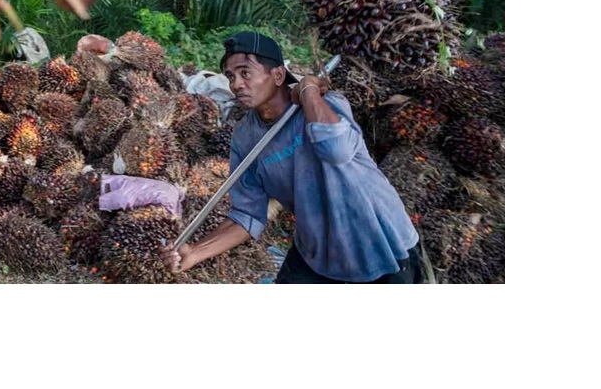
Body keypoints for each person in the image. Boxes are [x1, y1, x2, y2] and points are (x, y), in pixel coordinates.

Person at [158, 32, 424, 283]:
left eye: (245, 73)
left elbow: (337, 150)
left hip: (380, 243)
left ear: (277, 75)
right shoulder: (246, 138)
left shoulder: (326, 103)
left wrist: (308, 90)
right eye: (230, 76)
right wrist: (196, 252)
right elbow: (247, 214)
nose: (236, 84)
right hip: (318, 249)